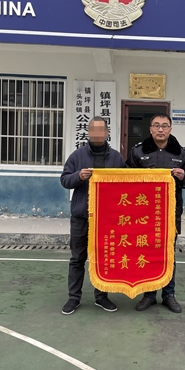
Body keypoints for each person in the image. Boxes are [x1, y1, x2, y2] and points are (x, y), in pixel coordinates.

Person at [126, 113, 185, 314]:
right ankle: (149, 294)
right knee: (147, 252)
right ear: (150, 129)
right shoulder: (138, 151)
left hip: (169, 214)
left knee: (168, 254)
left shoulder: (181, 153)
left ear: (170, 129)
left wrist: (183, 176)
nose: (160, 129)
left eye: (164, 126)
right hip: (144, 214)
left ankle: (168, 294)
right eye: (156, 125)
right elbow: (125, 176)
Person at [60, 116, 126, 315]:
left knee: (104, 258)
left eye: (101, 130)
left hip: (106, 219)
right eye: (93, 130)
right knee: (77, 258)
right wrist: (78, 176)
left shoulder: (116, 158)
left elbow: (125, 183)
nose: (97, 133)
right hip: (81, 216)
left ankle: (101, 296)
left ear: (107, 133)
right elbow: (64, 180)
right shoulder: (77, 156)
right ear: (88, 132)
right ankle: (74, 298)